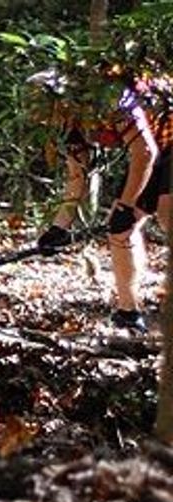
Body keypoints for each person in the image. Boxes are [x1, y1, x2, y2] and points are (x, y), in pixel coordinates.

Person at [34, 68, 173, 332]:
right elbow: (78, 174)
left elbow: (144, 153)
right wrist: (58, 227)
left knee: (167, 216)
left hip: (166, 140)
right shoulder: (69, 124)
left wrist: (126, 205)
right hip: (155, 150)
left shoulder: (111, 100)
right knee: (121, 232)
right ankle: (129, 313)